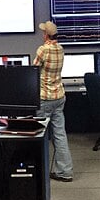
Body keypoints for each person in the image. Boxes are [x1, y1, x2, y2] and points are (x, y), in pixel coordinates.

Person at [34, 20, 72, 182]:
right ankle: (65, 171)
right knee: (59, 135)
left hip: (44, 98)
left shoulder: (43, 49)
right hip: (59, 96)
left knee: (39, 135)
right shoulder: (60, 49)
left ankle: (37, 171)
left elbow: (33, 70)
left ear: (46, 35)